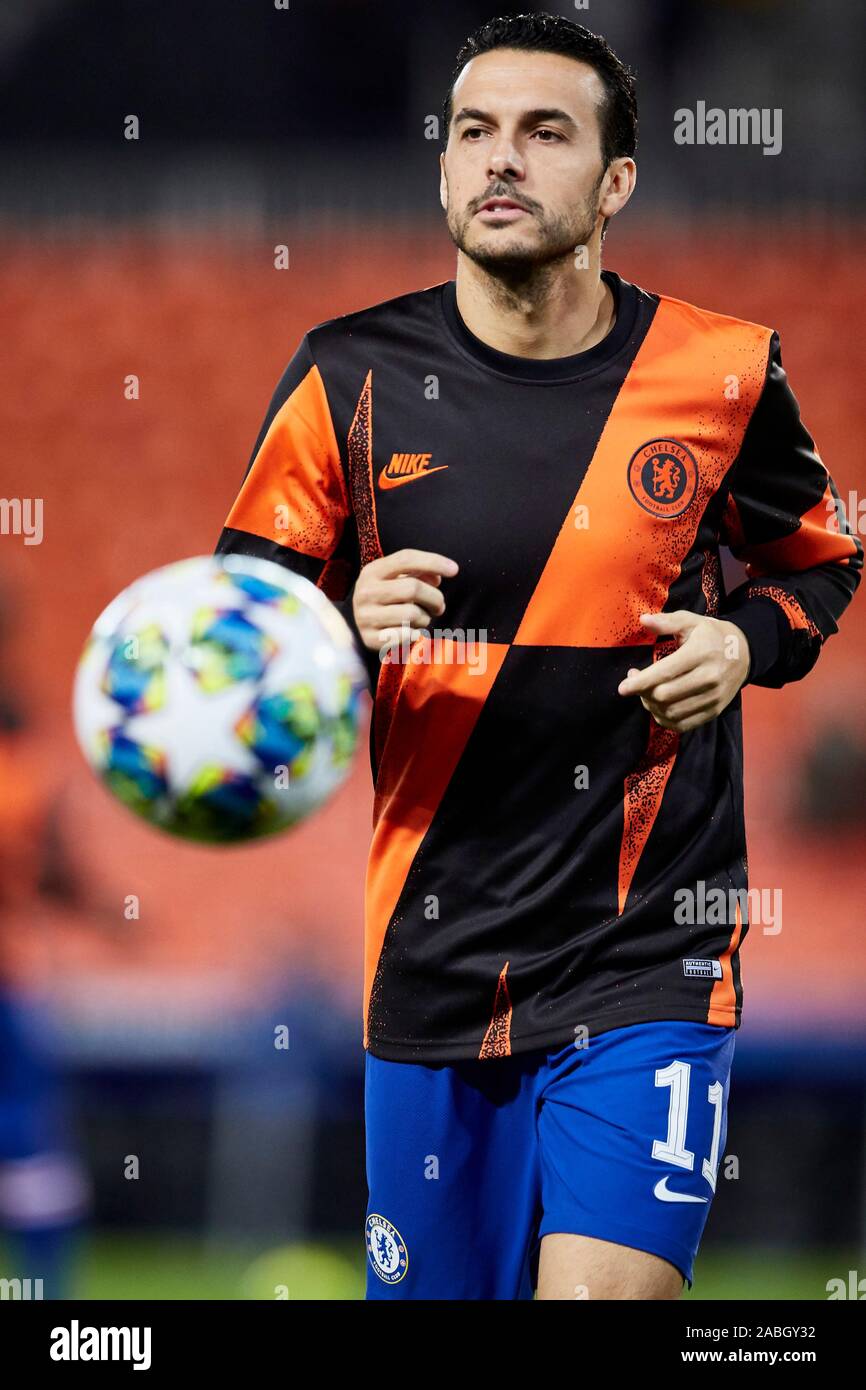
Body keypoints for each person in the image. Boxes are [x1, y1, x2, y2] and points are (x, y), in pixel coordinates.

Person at [215, 14, 861, 1299]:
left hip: (648, 953)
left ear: (614, 182)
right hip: (429, 961)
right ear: (444, 167)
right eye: (473, 132)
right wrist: (340, 625)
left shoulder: (726, 374)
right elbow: (235, 654)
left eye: (543, 132)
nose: (500, 159)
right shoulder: (344, 377)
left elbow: (823, 559)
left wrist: (744, 640)